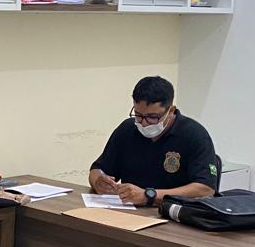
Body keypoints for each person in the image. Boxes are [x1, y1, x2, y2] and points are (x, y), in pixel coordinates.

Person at [88, 76, 217, 207]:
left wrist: (149, 195)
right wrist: (98, 181)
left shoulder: (194, 135)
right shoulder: (127, 129)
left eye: (152, 117)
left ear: (170, 111)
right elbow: (97, 170)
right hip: (130, 210)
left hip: (174, 212)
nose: (144, 123)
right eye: (138, 115)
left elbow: (206, 189)